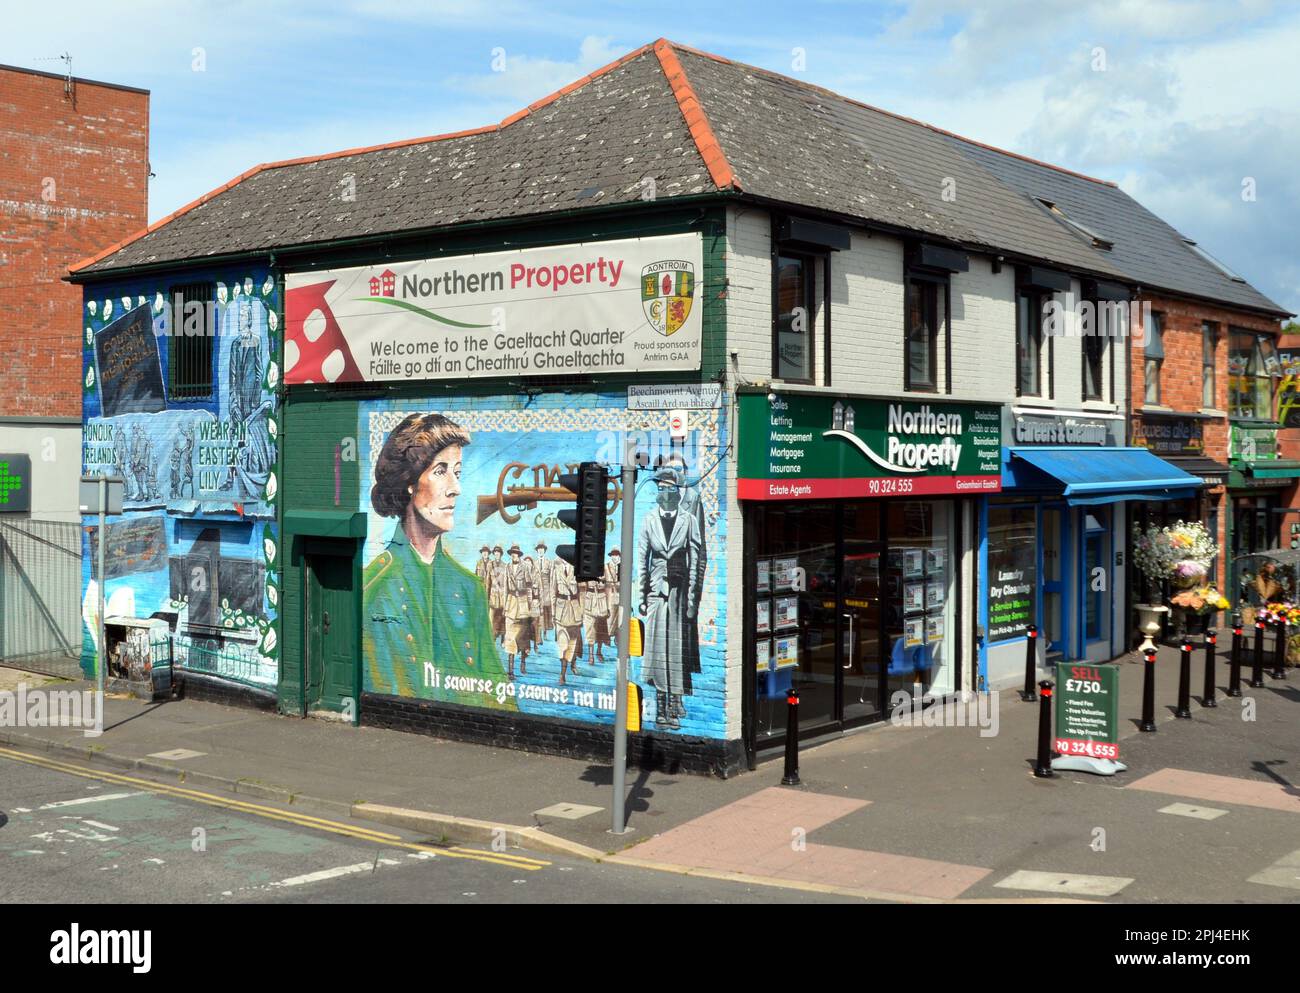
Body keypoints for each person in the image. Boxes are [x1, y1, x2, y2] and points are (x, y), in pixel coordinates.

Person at [362, 412, 511, 708]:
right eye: (441, 471)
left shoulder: (469, 589)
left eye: (458, 471)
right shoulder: (374, 589)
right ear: (410, 482)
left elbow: (498, 692)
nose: (456, 488)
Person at [638, 467, 704, 729]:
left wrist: (692, 600)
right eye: (660, 488)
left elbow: (696, 559)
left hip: (678, 592)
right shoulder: (649, 520)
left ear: (678, 492)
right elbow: (642, 559)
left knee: (675, 649)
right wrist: (643, 595)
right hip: (656, 593)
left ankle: (675, 701)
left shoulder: (688, 520)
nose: (664, 493)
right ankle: (661, 703)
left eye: (669, 488)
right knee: (656, 650)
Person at [503, 545, 533, 679]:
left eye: (516, 553)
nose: (514, 555)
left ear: (519, 555)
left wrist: (530, 604)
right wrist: (505, 605)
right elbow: (504, 588)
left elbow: (529, 587)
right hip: (511, 604)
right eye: (512, 553)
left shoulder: (525, 567)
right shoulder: (507, 568)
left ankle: (523, 662)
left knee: (521, 637)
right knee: (509, 637)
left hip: (522, 605)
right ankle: (510, 671)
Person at [554, 559, 583, 684]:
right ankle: (562, 674)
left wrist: (581, 612)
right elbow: (552, 592)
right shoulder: (556, 570)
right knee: (562, 644)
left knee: (572, 644)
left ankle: (571, 665)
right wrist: (552, 613)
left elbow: (581, 593)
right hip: (560, 611)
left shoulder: (577, 570)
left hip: (574, 611)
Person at [488, 545, 508, 644]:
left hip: (501, 596)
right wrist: (486, 595)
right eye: (495, 553)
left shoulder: (505, 566)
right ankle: (492, 638)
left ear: (501, 554)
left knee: (502, 618)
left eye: (498, 553)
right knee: (491, 618)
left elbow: (506, 582)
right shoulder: (490, 565)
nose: (496, 554)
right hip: (493, 595)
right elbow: (488, 582)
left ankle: (503, 638)